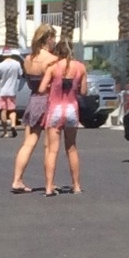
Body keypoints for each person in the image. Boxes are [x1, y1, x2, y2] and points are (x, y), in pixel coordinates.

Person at [8, 25, 60, 193]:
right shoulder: (51, 59)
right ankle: (49, 183)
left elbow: (31, 83)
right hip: (49, 100)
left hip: (34, 99)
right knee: (49, 146)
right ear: (48, 38)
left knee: (28, 143)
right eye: (54, 38)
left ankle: (17, 180)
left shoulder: (28, 59)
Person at [38, 38, 90, 195]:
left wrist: (50, 87)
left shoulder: (53, 68)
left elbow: (40, 89)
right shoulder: (80, 67)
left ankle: (48, 186)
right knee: (72, 148)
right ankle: (77, 185)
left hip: (55, 109)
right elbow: (83, 92)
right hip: (71, 110)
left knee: (53, 150)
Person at [0, 45, 24, 140]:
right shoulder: (17, 64)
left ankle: (5, 131)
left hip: (2, 91)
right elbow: (21, 74)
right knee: (12, 110)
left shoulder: (0, 65)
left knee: (3, 110)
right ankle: (13, 125)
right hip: (12, 91)